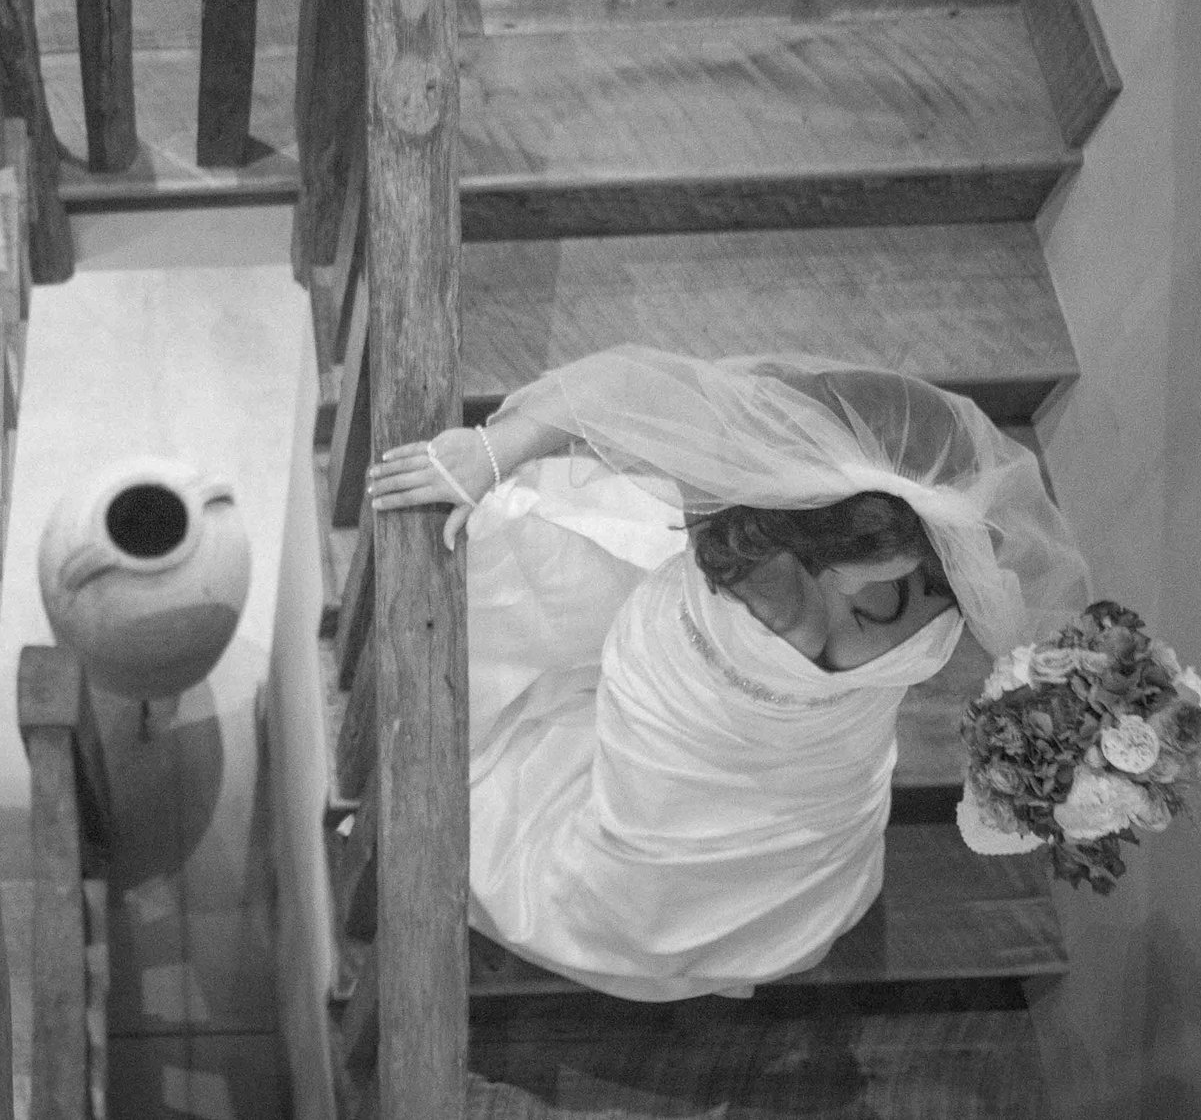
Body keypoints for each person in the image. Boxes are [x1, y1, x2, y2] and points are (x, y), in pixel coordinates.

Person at [362, 344, 1091, 1002]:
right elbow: (620, 391)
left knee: (652, 888)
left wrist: (1090, 750)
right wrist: (492, 452)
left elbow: (1037, 652)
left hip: (807, 775)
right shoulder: (745, 504)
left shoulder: (952, 568)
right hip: (675, 714)